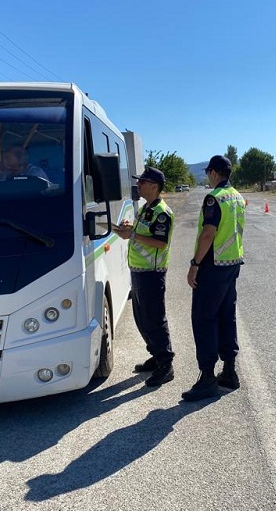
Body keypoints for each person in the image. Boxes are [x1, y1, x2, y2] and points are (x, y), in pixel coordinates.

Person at [183, 155, 246, 401]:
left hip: (212, 266)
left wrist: (194, 264)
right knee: (226, 316)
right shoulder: (238, 197)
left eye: (208, 173)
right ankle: (229, 371)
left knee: (204, 318)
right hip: (232, 264)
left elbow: (208, 234)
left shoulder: (214, 198)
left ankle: (208, 377)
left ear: (213, 173)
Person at [113, 167, 176, 387]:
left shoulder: (162, 212)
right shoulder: (144, 208)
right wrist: (124, 231)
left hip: (152, 273)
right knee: (142, 320)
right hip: (139, 271)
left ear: (155, 187)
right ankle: (156, 356)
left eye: (142, 182)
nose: (138, 185)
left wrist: (134, 235)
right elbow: (136, 237)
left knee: (155, 319)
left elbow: (160, 242)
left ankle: (166, 364)